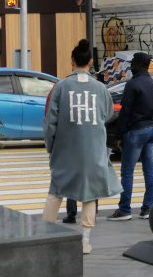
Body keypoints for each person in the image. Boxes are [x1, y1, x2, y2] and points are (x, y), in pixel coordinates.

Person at [43, 39, 119, 254]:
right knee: (89, 193)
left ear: (72, 61)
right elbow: (108, 114)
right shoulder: (101, 88)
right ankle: (85, 240)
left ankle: (45, 235)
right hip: (93, 149)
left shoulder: (61, 87)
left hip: (66, 149)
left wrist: (51, 147)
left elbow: (51, 122)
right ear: (91, 62)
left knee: (56, 190)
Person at [109, 52, 153, 221]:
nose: (131, 65)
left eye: (133, 63)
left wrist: (119, 135)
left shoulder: (133, 85)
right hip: (152, 129)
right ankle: (148, 208)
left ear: (139, 65)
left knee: (127, 172)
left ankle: (124, 210)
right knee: (149, 170)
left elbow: (125, 112)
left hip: (136, 130)